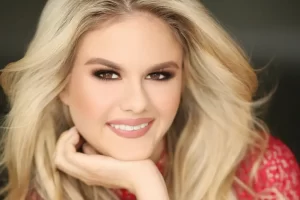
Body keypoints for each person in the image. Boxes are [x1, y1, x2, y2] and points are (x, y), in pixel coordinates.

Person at [0, 0, 299, 199]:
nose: (137, 102)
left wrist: (146, 184)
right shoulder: (39, 194)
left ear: (185, 79)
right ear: (61, 83)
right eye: (107, 74)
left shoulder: (260, 172)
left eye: (159, 75)